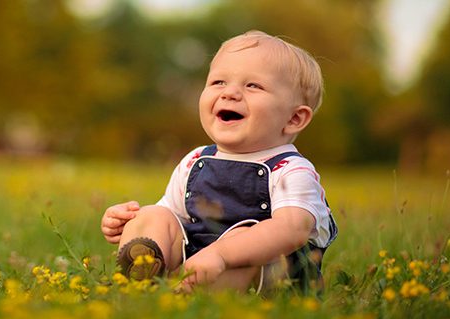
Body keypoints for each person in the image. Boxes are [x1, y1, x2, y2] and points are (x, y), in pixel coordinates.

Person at [100, 30, 338, 294]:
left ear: (294, 119)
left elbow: (292, 229)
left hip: (267, 278)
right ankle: (142, 271)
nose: (230, 93)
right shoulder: (195, 160)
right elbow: (172, 216)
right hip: (199, 264)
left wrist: (222, 255)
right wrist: (128, 223)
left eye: (253, 86)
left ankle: (181, 292)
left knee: (246, 234)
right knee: (153, 215)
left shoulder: (290, 170)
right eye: (218, 82)